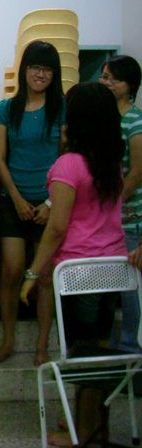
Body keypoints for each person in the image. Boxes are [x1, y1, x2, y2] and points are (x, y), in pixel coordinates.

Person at [20, 82, 126, 448]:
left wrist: (32, 273)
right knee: (100, 349)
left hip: (79, 272)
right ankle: (95, 429)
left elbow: (57, 227)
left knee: (83, 355)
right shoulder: (110, 163)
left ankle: (82, 433)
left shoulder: (69, 164)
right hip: (115, 269)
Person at [0, 41, 65, 366]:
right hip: (13, 200)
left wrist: (50, 201)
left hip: (50, 201)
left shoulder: (61, 107)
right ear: (25, 70)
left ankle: (42, 346)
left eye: (47, 69)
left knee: (45, 275)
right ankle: (7, 339)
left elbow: (66, 158)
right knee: (12, 270)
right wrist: (17, 199)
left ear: (54, 74)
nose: (40, 74)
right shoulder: (6, 108)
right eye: (35, 67)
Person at [100, 55, 142, 353]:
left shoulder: (135, 119)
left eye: (113, 78)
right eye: (104, 77)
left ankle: (131, 348)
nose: (106, 83)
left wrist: (115, 205)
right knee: (113, 284)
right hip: (107, 215)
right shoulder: (105, 118)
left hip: (130, 214)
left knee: (131, 288)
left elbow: (137, 171)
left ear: (130, 85)